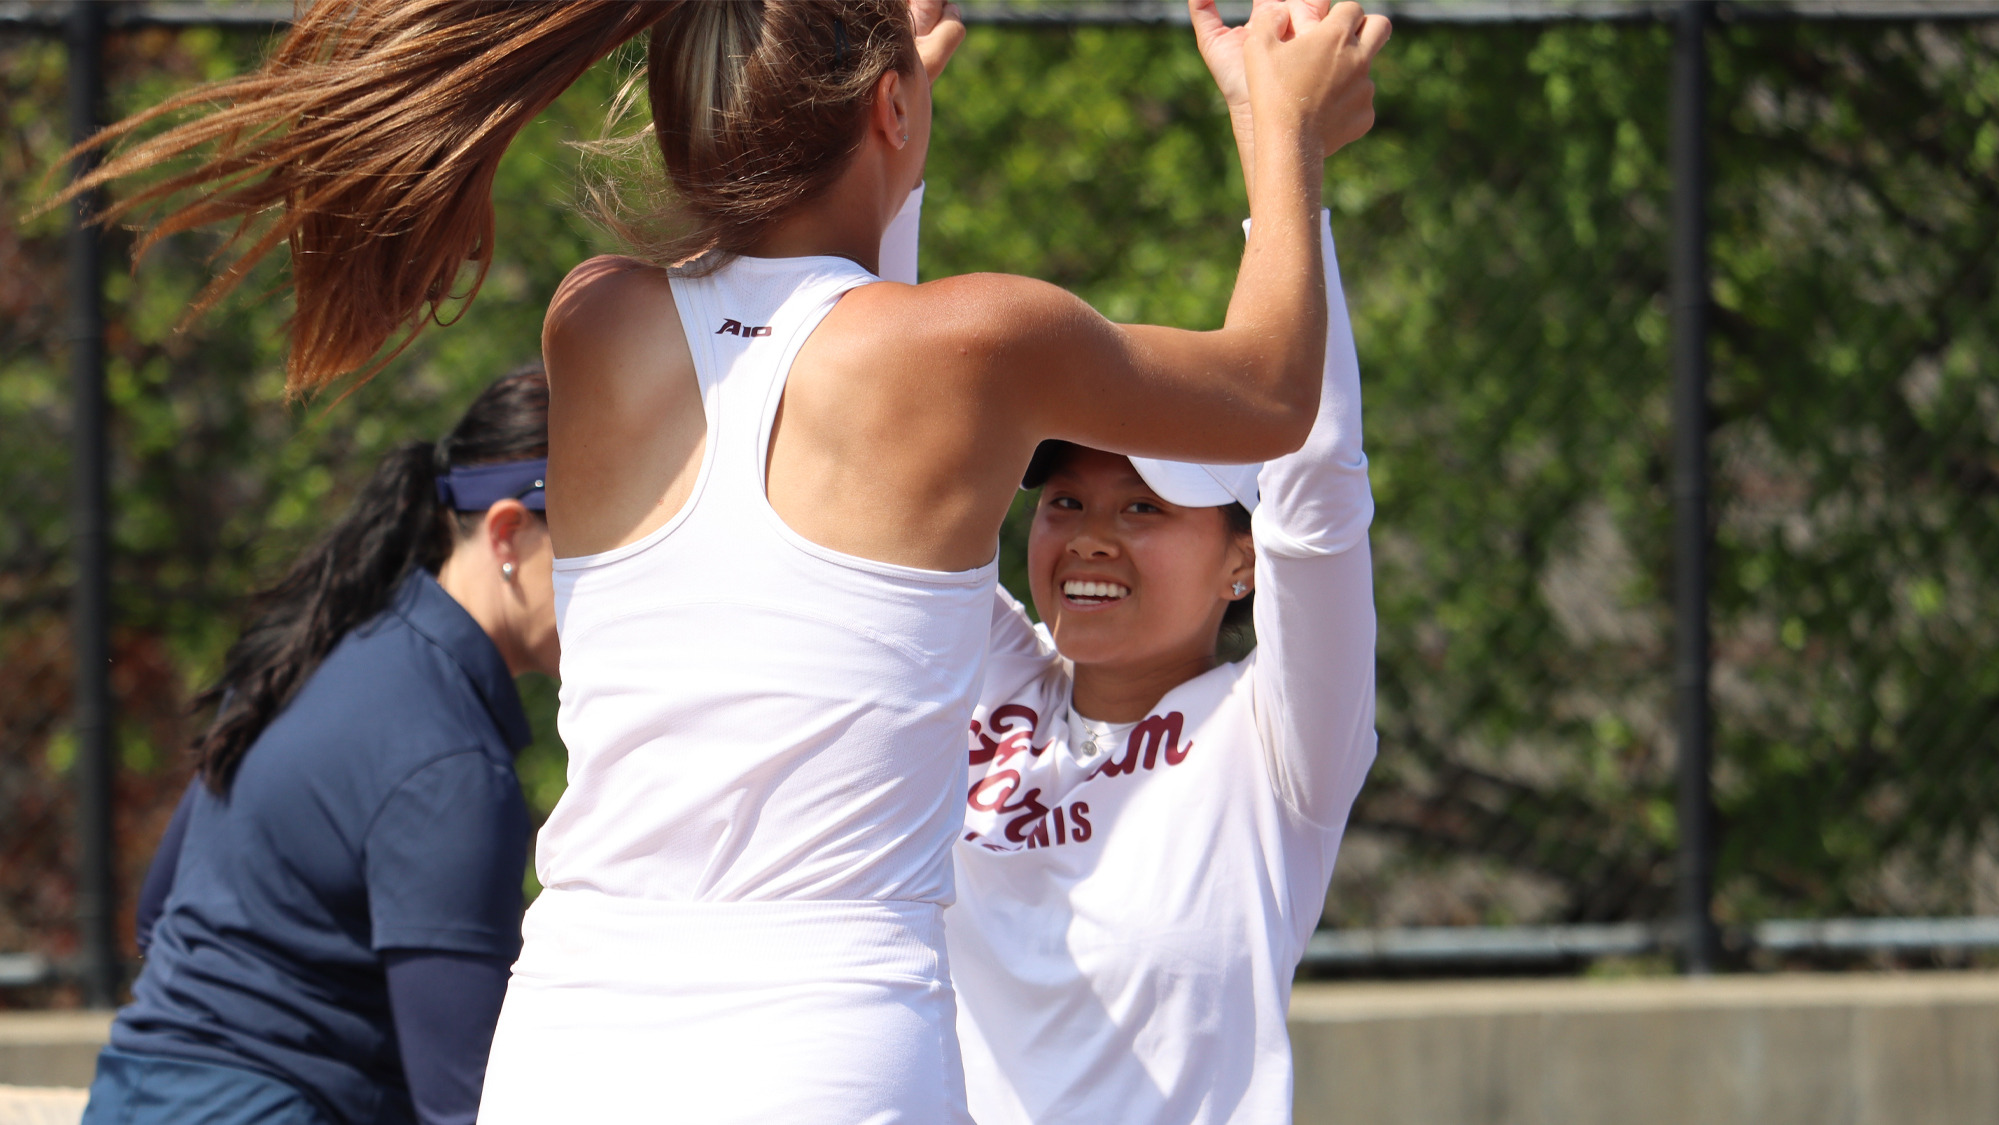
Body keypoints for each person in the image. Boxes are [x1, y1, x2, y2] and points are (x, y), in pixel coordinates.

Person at [59, 2, 1391, 1120]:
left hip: (573, 1041)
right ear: (891, 113)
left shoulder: (596, 319)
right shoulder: (974, 347)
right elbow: (1274, 395)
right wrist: (1285, 128)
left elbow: (825, 354)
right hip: (818, 1046)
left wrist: (874, 136)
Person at [943, 3, 1377, 1120]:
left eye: (1144, 506)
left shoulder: (1272, 741)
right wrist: (887, 128)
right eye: (1068, 498)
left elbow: (1316, 479)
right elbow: (890, 424)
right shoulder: (991, 674)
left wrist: (1279, 145)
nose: (1089, 530)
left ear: (1240, 563)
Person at [82, 370, 558, 1125]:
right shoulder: (451, 765)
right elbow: (464, 1101)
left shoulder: (319, 646)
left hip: (130, 1094)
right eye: (613, 542)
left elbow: (158, 913)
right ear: (507, 534)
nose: (639, 577)